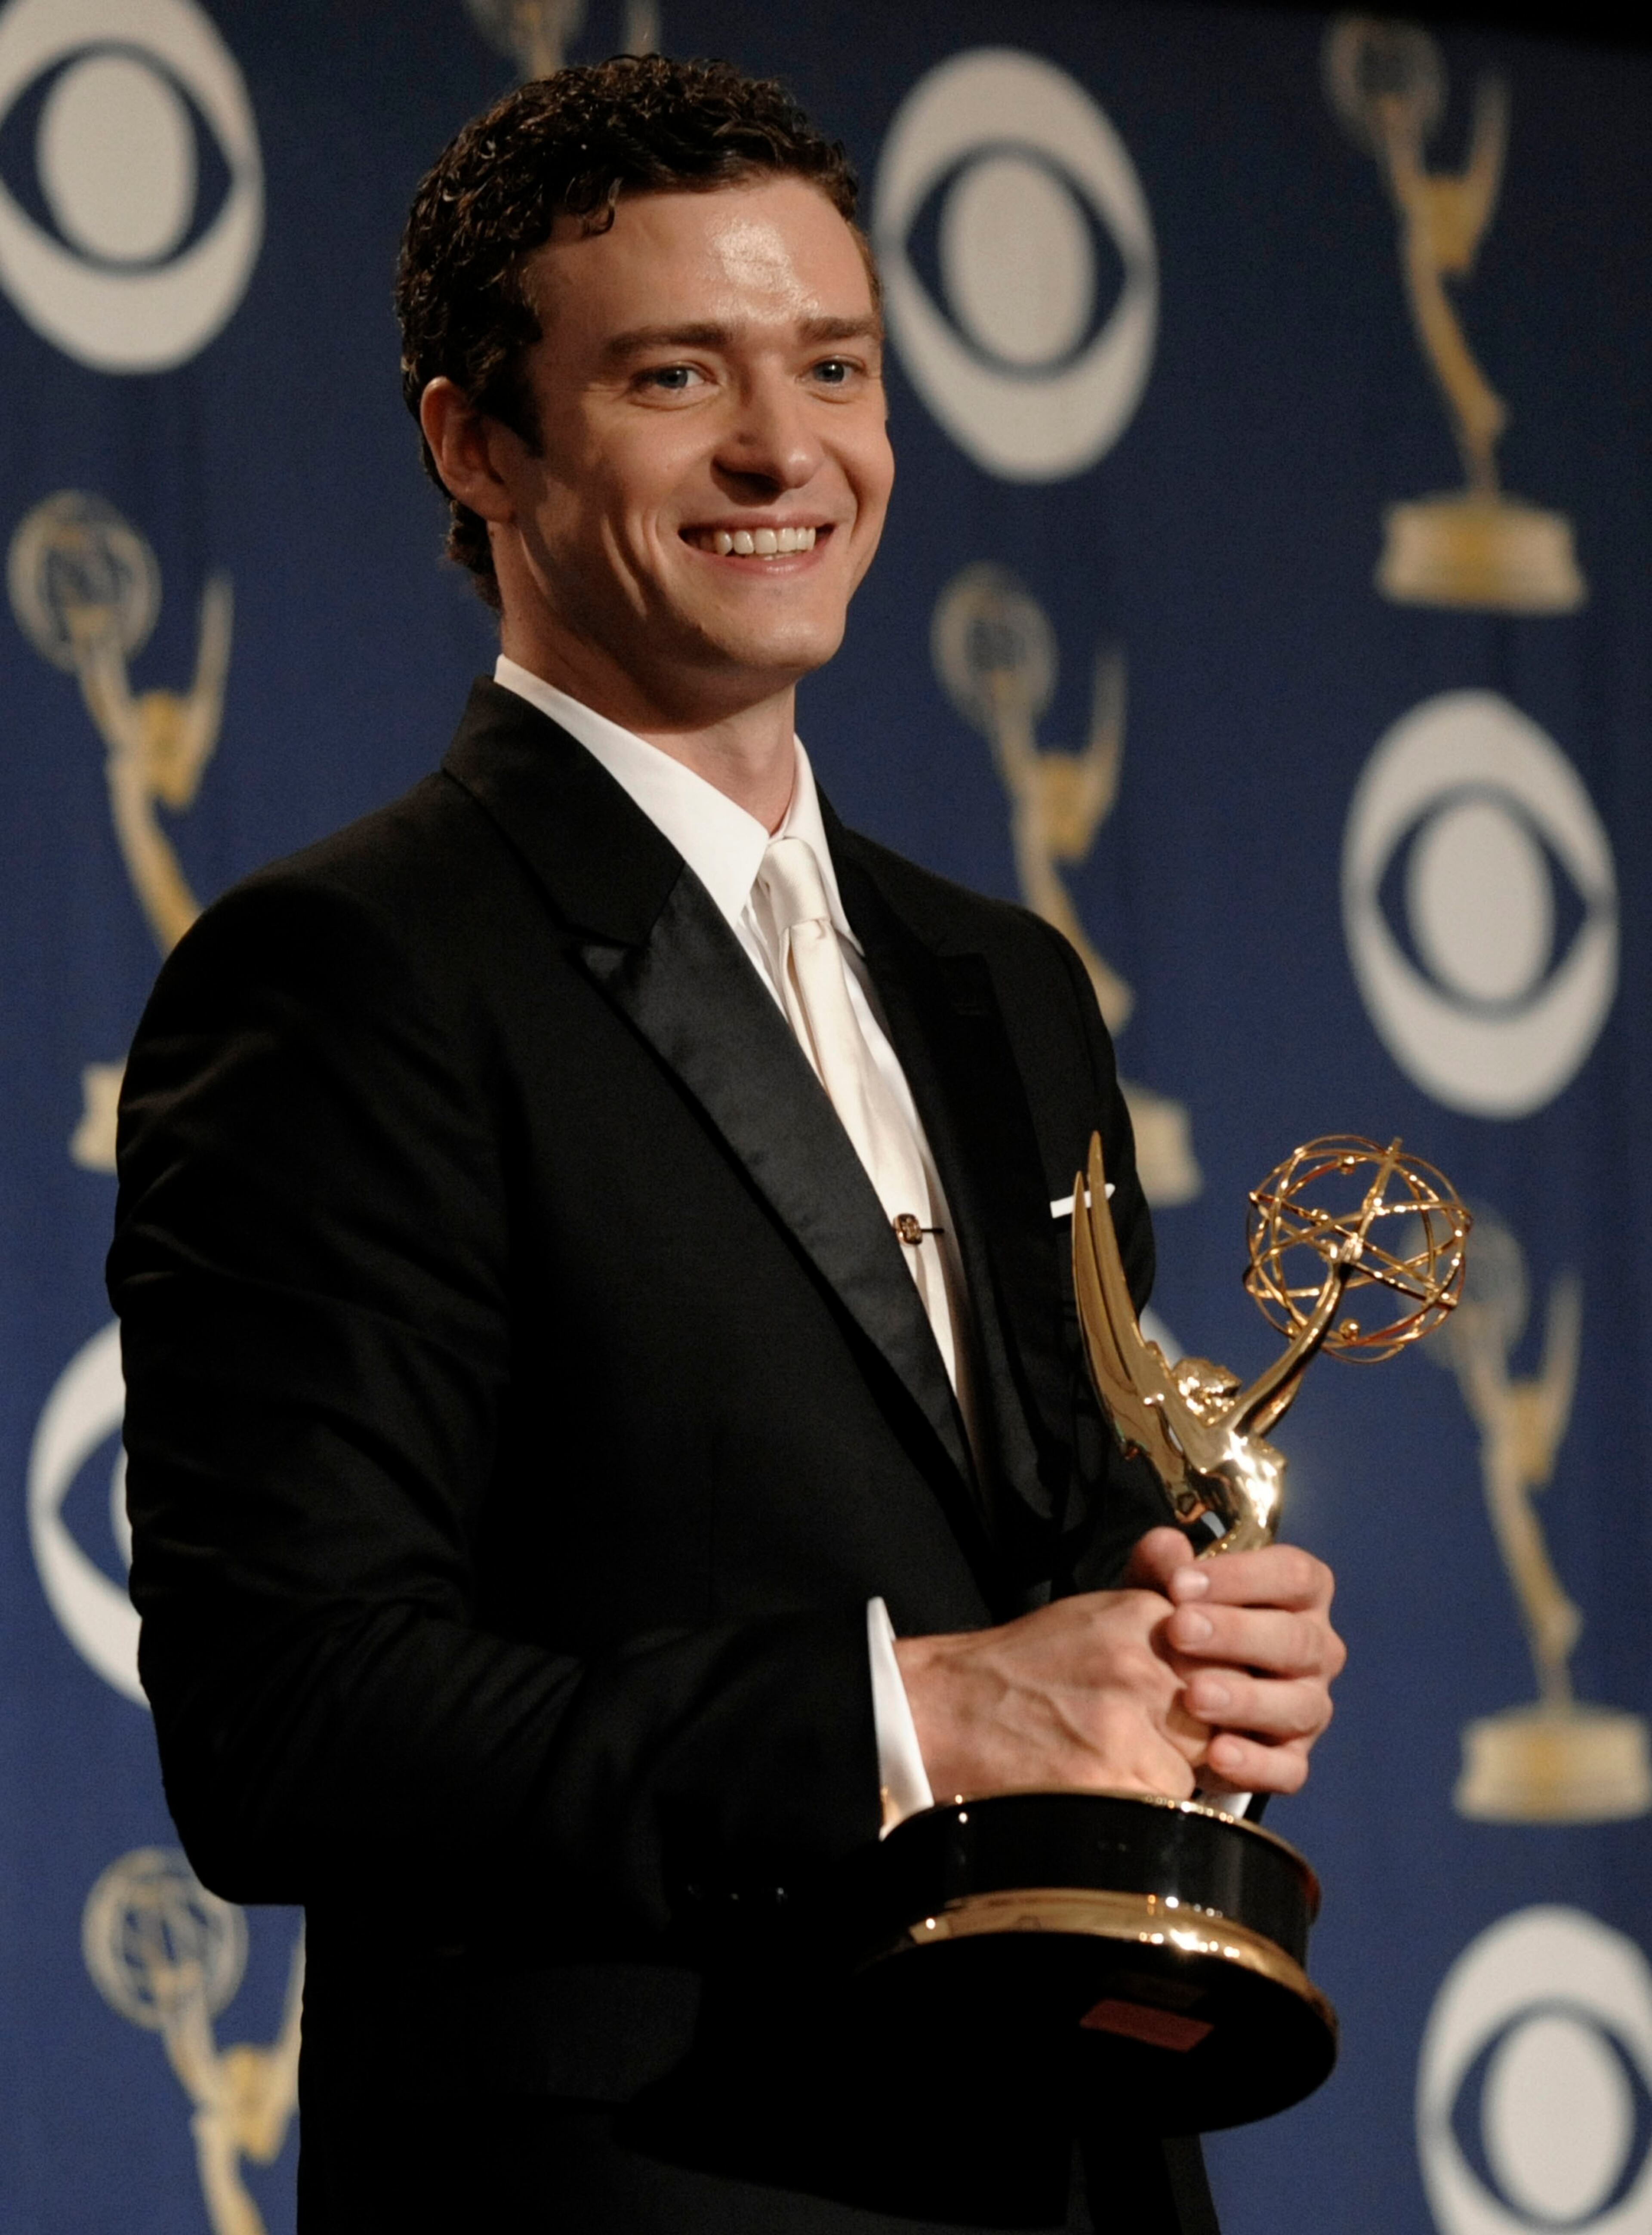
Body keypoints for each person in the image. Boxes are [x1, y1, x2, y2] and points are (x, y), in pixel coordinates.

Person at [108, 56, 1344, 2235]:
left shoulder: (1007, 986)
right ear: (475, 442)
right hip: (669, 2179)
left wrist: (1186, 1652)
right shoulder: (350, 973)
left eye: (838, 368)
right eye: (682, 375)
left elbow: (1059, 1568)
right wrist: (906, 1719)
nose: (790, 452)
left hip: (1075, 2171)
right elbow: (287, 1720)